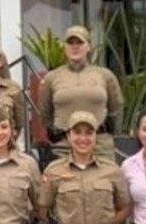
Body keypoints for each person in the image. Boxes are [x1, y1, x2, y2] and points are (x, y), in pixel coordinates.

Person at [37, 25, 124, 162]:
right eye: (70, 43)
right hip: (64, 147)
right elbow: (44, 111)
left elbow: (116, 107)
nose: (75, 47)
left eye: (80, 42)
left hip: (100, 147)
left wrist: (108, 130)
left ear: (88, 46)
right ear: (64, 47)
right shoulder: (51, 78)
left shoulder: (105, 75)